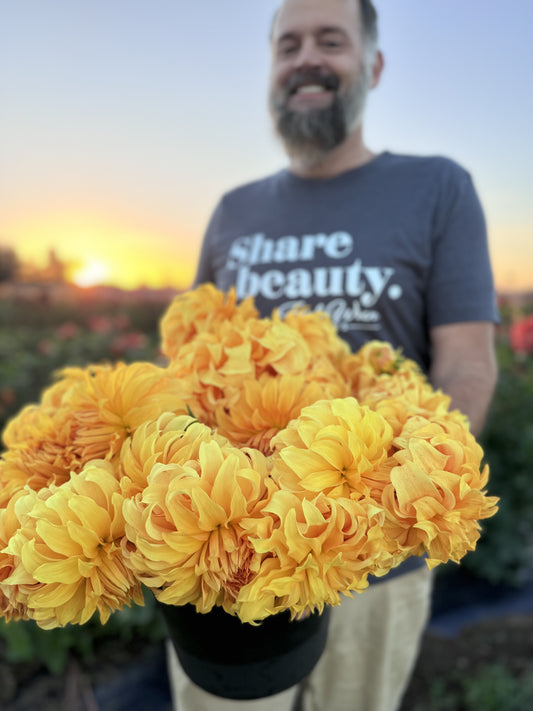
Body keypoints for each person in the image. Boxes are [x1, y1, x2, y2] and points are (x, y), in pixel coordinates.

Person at [167, 0, 499, 709]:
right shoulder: (232, 210)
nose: (305, 59)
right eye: (287, 45)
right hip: (223, 558)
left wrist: (402, 497)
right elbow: (183, 365)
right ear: (272, 71)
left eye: (330, 40)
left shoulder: (436, 187)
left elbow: (466, 361)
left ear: (372, 66)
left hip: (374, 556)